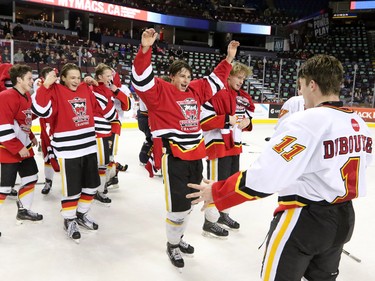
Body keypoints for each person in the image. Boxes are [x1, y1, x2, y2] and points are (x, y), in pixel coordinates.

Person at [187, 54, 373, 280]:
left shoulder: (308, 120)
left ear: (312, 84)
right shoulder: (360, 125)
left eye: (302, 86)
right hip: (343, 221)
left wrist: (217, 192)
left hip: (305, 219)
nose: (301, 93)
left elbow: (266, 176)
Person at [131, 28, 239, 270]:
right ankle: (172, 244)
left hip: (196, 156)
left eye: (188, 76)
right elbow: (140, 78)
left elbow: (215, 80)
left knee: (190, 202)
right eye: (181, 75)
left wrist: (229, 59)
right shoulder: (159, 91)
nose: (186, 79)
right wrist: (145, 49)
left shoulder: (195, 91)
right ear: (171, 77)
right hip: (174, 157)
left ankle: (178, 239)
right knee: (178, 205)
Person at [32, 63, 101, 243]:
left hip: (89, 146)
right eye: (72, 77)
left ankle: (81, 214)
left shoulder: (86, 90)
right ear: (63, 78)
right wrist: (45, 86)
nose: (76, 81)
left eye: (78, 77)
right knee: (72, 188)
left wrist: (97, 85)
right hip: (68, 150)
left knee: (92, 185)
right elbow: (40, 110)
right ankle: (69, 219)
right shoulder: (54, 91)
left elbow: (103, 110)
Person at [200, 62, 255, 238]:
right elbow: (203, 121)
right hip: (217, 146)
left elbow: (244, 119)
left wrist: (247, 122)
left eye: (243, 79)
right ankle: (210, 222)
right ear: (229, 75)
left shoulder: (242, 97)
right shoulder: (215, 94)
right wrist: (226, 119)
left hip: (234, 146)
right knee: (216, 183)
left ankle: (223, 215)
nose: (241, 81)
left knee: (230, 183)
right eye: (239, 77)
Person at [0, 64, 43, 237]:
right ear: (19, 79)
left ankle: (23, 210)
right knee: (4, 189)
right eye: (29, 79)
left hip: (23, 148)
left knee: (31, 177)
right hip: (9, 149)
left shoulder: (26, 96)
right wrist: (18, 148)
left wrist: (31, 135)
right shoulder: (6, 96)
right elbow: (2, 126)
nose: (32, 81)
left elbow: (23, 120)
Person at [32, 66, 60, 195]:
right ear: (43, 78)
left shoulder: (60, 88)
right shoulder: (40, 87)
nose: (54, 77)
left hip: (60, 127)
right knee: (47, 157)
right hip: (46, 129)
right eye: (50, 75)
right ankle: (48, 181)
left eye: (55, 75)